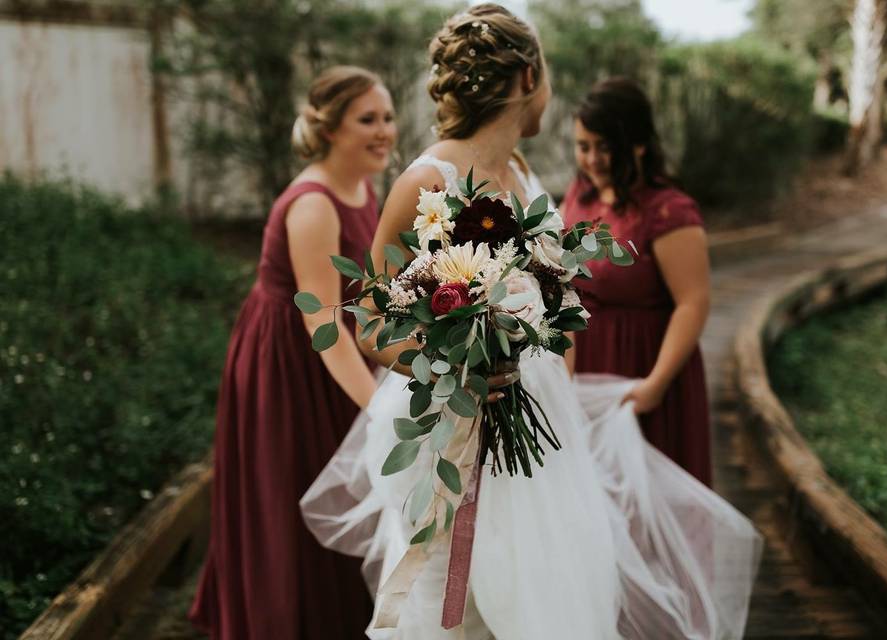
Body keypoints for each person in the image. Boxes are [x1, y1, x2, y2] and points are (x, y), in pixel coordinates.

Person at [301, 6, 761, 639]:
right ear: (525, 78)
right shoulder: (424, 183)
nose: (548, 90)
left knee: (539, 590)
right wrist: (454, 368)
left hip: (540, 422)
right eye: (544, 73)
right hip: (453, 427)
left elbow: (556, 308)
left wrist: (559, 380)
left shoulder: (523, 175)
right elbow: (371, 325)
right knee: (450, 604)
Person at [189, 65, 396, 639]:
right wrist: (377, 404)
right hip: (290, 363)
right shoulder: (313, 205)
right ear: (330, 129)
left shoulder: (364, 187)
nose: (384, 131)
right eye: (367, 120)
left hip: (336, 356)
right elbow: (322, 318)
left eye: (387, 117)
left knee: (343, 482)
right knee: (293, 488)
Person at [563, 77, 713, 487]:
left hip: (643, 365)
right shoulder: (580, 195)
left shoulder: (668, 212)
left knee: (646, 496)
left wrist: (657, 383)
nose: (592, 159)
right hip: (586, 362)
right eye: (583, 146)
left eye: (605, 147)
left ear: (639, 145)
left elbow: (693, 302)